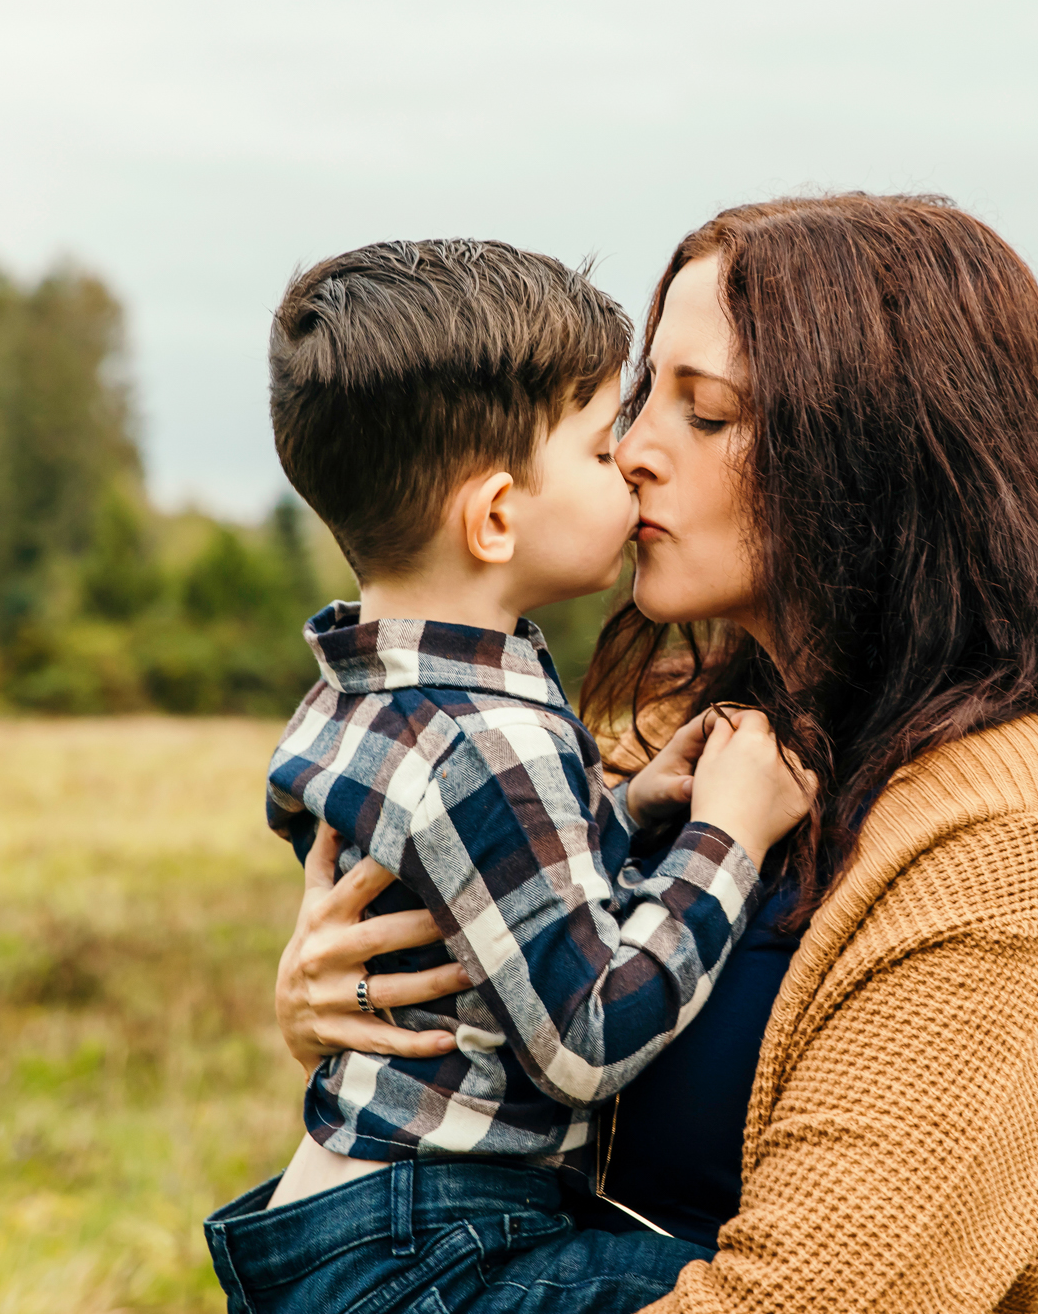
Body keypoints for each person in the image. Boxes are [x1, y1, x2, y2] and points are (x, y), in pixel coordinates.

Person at [273, 193, 1038, 1313]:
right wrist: (347, 1010)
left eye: (703, 415)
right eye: (643, 392)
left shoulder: (1010, 824)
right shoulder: (679, 727)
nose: (631, 448)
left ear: (869, 460)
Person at [204, 239, 814, 1314]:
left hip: (362, 1225)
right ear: (494, 517)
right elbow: (585, 1037)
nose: (628, 459)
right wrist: (728, 835)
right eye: (595, 445)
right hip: (436, 1248)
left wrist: (628, 809)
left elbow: (488, 902)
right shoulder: (481, 736)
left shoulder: (377, 689)